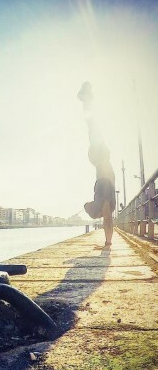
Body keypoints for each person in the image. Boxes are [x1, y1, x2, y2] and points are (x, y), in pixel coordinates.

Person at [77, 82, 116, 248]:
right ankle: (87, 98)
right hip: (104, 172)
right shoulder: (104, 202)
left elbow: (105, 216)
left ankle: (87, 98)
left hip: (103, 174)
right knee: (93, 127)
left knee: (93, 127)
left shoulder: (104, 203)